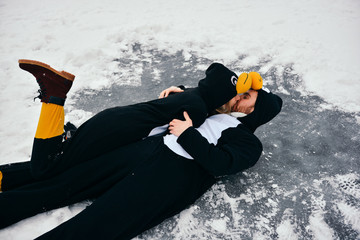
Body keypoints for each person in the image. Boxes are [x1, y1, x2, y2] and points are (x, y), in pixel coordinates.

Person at [0, 59, 282, 239]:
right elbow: (204, 96)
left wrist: (187, 135)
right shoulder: (217, 112)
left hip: (169, 177)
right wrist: (180, 91)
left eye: (248, 98)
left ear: (257, 112)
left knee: (100, 222)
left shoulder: (248, 142)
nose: (239, 98)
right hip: (143, 150)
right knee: (66, 181)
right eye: (242, 93)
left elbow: (220, 164)